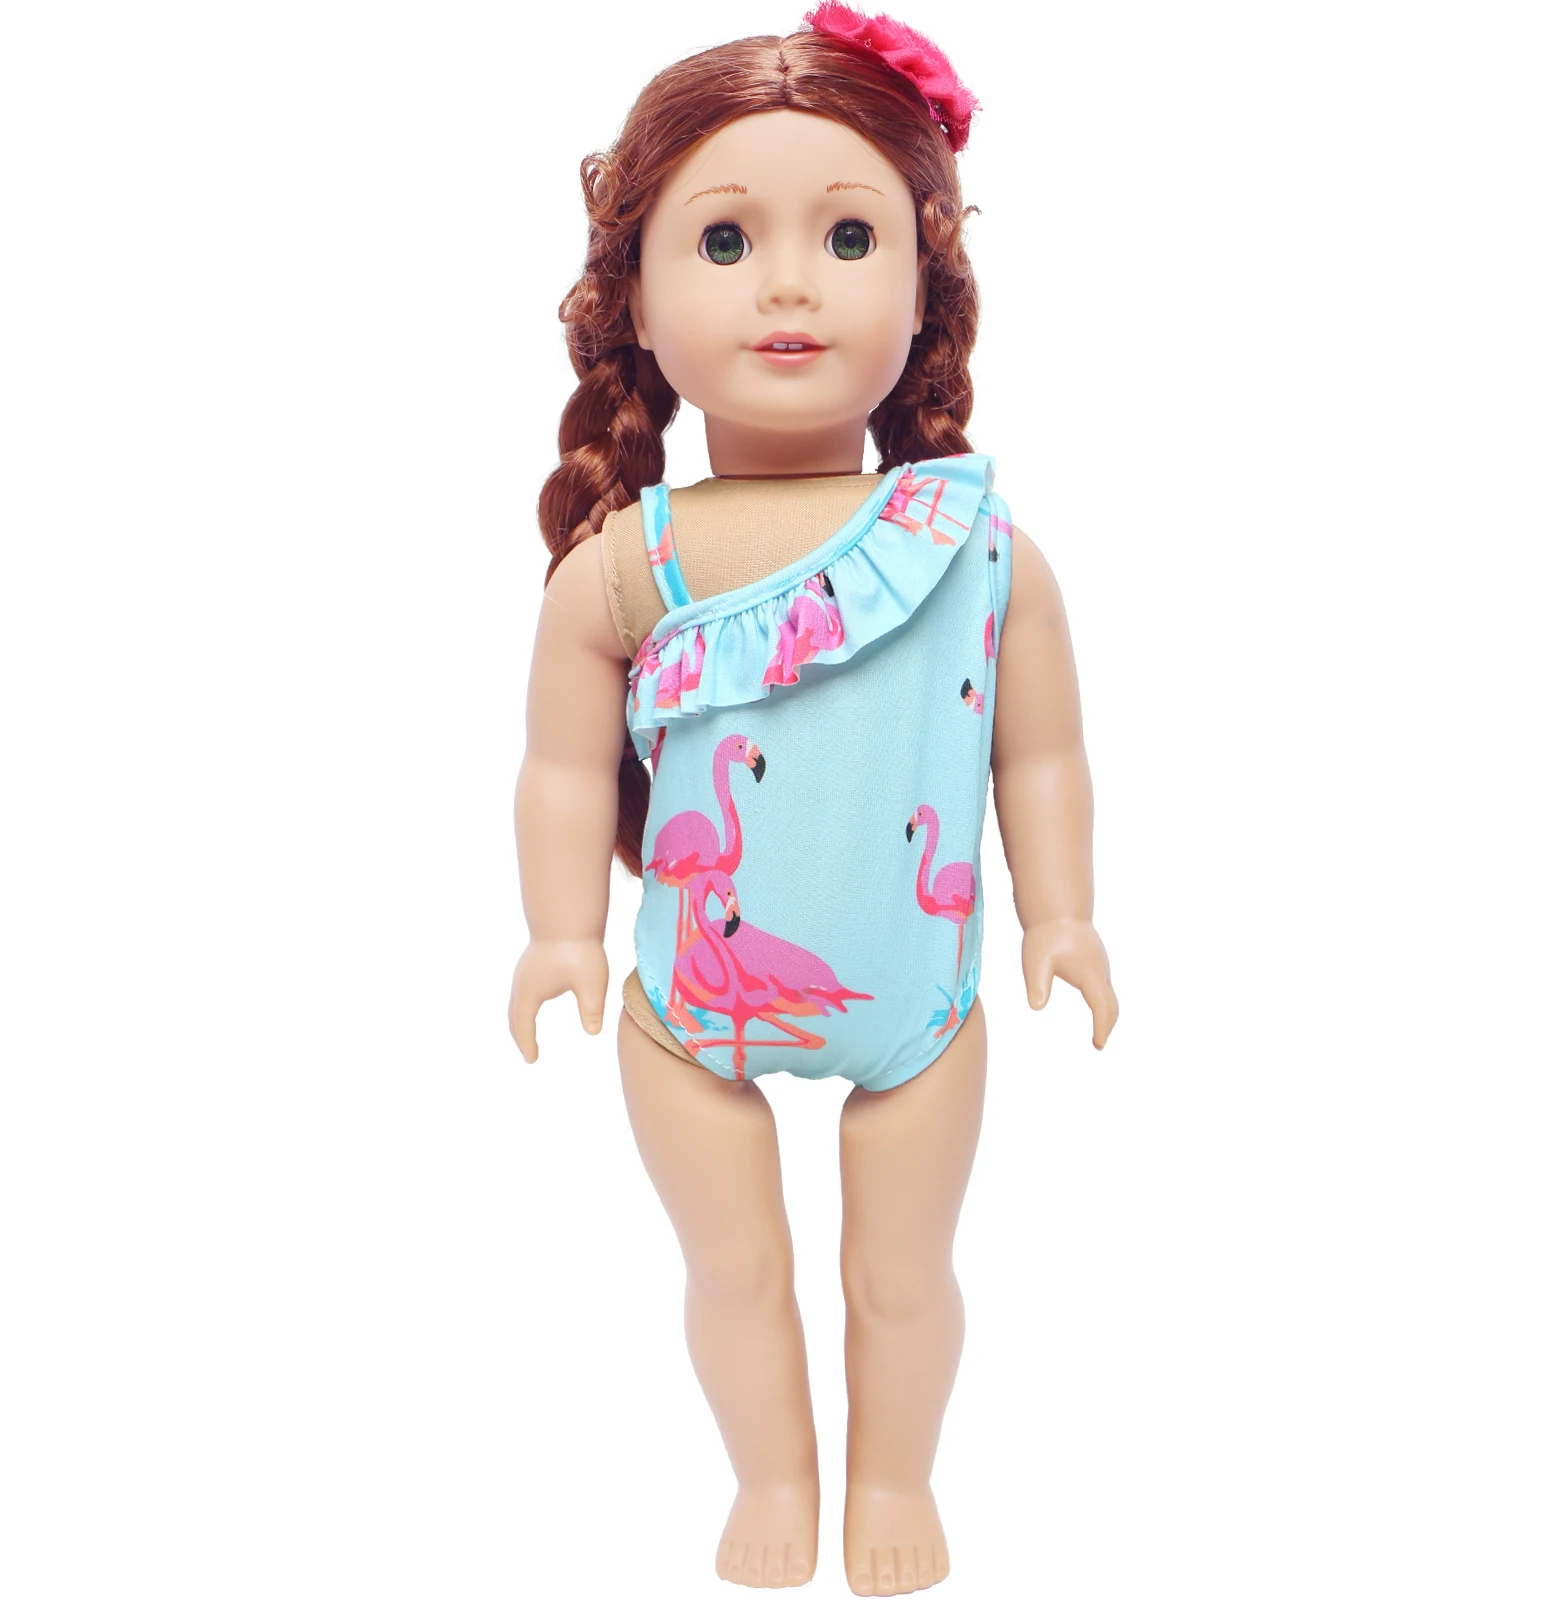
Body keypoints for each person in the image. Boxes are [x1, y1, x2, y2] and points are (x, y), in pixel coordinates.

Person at [509, 7, 1118, 1591]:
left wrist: (1061, 913)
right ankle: (772, 1475)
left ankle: (895, 1477)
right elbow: (562, 766)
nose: (789, 284)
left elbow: (1039, 755)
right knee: (736, 1272)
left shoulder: (979, 551)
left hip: (919, 1005)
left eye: (848, 237)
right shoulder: (629, 564)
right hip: (686, 1016)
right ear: (634, 296)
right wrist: (560, 935)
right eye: (726, 241)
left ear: (927, 284)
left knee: (903, 1277)